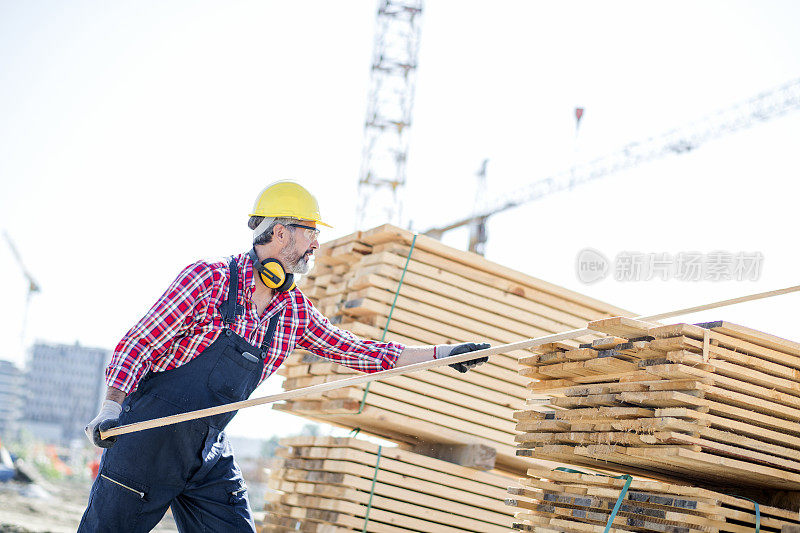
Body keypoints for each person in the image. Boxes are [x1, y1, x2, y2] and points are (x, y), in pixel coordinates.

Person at [78, 180, 490, 532]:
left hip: (208, 452)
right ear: (278, 233)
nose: (316, 242)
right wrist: (111, 407)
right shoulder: (208, 279)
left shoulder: (293, 311)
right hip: (148, 441)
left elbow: (359, 351)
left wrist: (442, 354)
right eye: (309, 230)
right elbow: (140, 341)